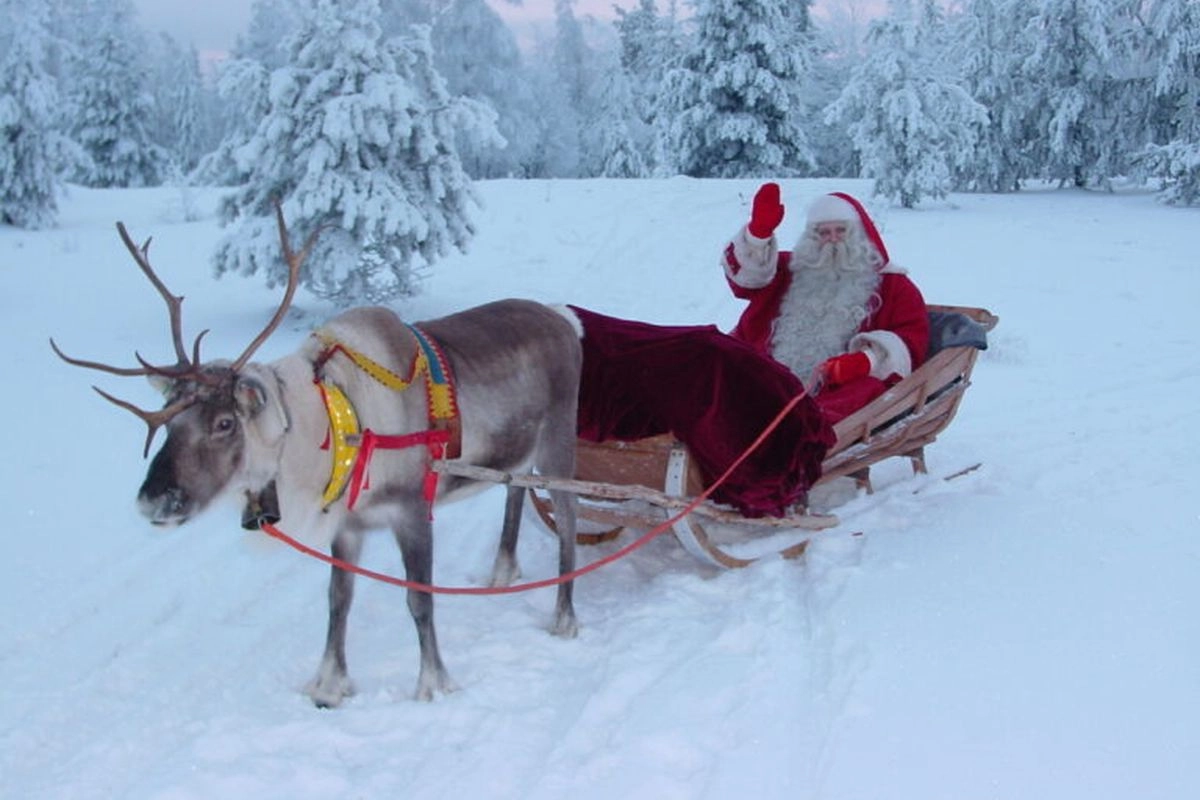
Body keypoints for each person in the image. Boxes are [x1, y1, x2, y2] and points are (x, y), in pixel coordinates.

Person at [721, 184, 930, 423]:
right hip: (771, 379)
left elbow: (911, 338)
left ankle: (799, 428)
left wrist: (864, 361)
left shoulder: (894, 286)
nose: (832, 240)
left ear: (859, 234)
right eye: (823, 232)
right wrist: (758, 236)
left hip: (838, 390)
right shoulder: (792, 271)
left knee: (866, 391)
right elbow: (749, 280)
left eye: (841, 231)